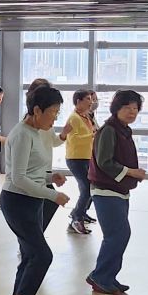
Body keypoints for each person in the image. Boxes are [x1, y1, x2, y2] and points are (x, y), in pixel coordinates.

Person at [0, 82, 70, 295]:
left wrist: (50, 177)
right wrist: (53, 195)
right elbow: (18, 178)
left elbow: (32, 171)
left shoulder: (37, 132)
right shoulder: (21, 134)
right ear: (37, 110)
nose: (55, 118)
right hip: (17, 201)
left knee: (31, 255)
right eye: (52, 112)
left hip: (32, 200)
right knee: (41, 255)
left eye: (57, 113)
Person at [86, 90, 146, 295]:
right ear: (116, 108)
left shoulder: (123, 130)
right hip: (106, 191)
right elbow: (104, 162)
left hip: (118, 190)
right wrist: (131, 172)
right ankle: (100, 276)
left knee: (118, 235)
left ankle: (107, 276)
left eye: (135, 108)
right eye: (127, 107)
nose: (132, 112)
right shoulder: (109, 130)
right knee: (117, 234)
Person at [62, 89, 98, 235]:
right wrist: (92, 135)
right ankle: (76, 217)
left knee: (90, 187)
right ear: (78, 101)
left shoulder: (85, 117)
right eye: (88, 99)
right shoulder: (74, 118)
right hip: (75, 158)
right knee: (87, 188)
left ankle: (80, 213)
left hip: (86, 157)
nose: (91, 102)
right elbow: (74, 139)